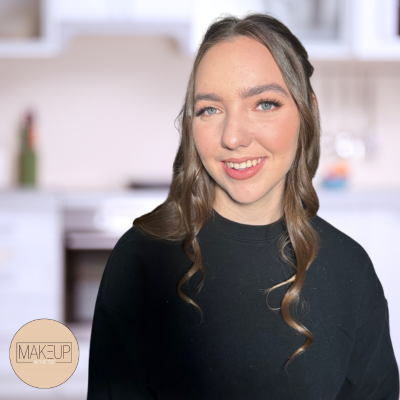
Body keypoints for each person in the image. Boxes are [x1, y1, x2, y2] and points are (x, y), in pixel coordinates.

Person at [86, 13, 399, 399]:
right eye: (209, 109)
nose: (232, 138)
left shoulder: (351, 269)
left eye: (264, 104)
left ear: (308, 111)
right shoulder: (140, 259)